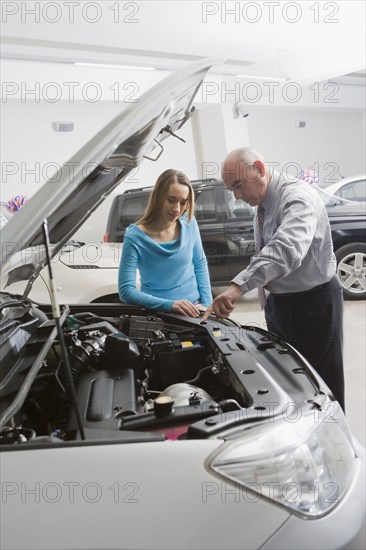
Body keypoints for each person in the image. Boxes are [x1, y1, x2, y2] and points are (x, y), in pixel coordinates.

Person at [201, 147, 345, 410]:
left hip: (313, 304)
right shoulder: (264, 201)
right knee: (290, 379)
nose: (237, 196)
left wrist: (236, 288)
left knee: (321, 385)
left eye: (239, 185)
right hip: (280, 303)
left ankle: (335, 446)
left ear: (258, 167)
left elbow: (286, 249)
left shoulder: (297, 198)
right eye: (231, 189)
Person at [118, 169, 212, 317]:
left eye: (183, 202)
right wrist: (171, 305)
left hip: (195, 309)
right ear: (158, 197)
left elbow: (200, 263)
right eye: (171, 200)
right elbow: (126, 291)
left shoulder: (189, 222)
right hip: (158, 315)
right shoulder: (134, 237)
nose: (177, 209)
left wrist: (207, 307)